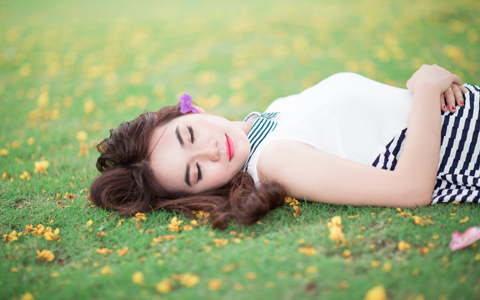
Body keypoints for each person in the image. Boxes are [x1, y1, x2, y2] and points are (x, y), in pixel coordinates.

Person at [90, 64, 478, 229]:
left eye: (189, 135)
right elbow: (409, 190)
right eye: (197, 172)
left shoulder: (270, 115)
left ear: (192, 111)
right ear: (204, 190)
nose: (210, 150)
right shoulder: (274, 160)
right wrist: (426, 89)